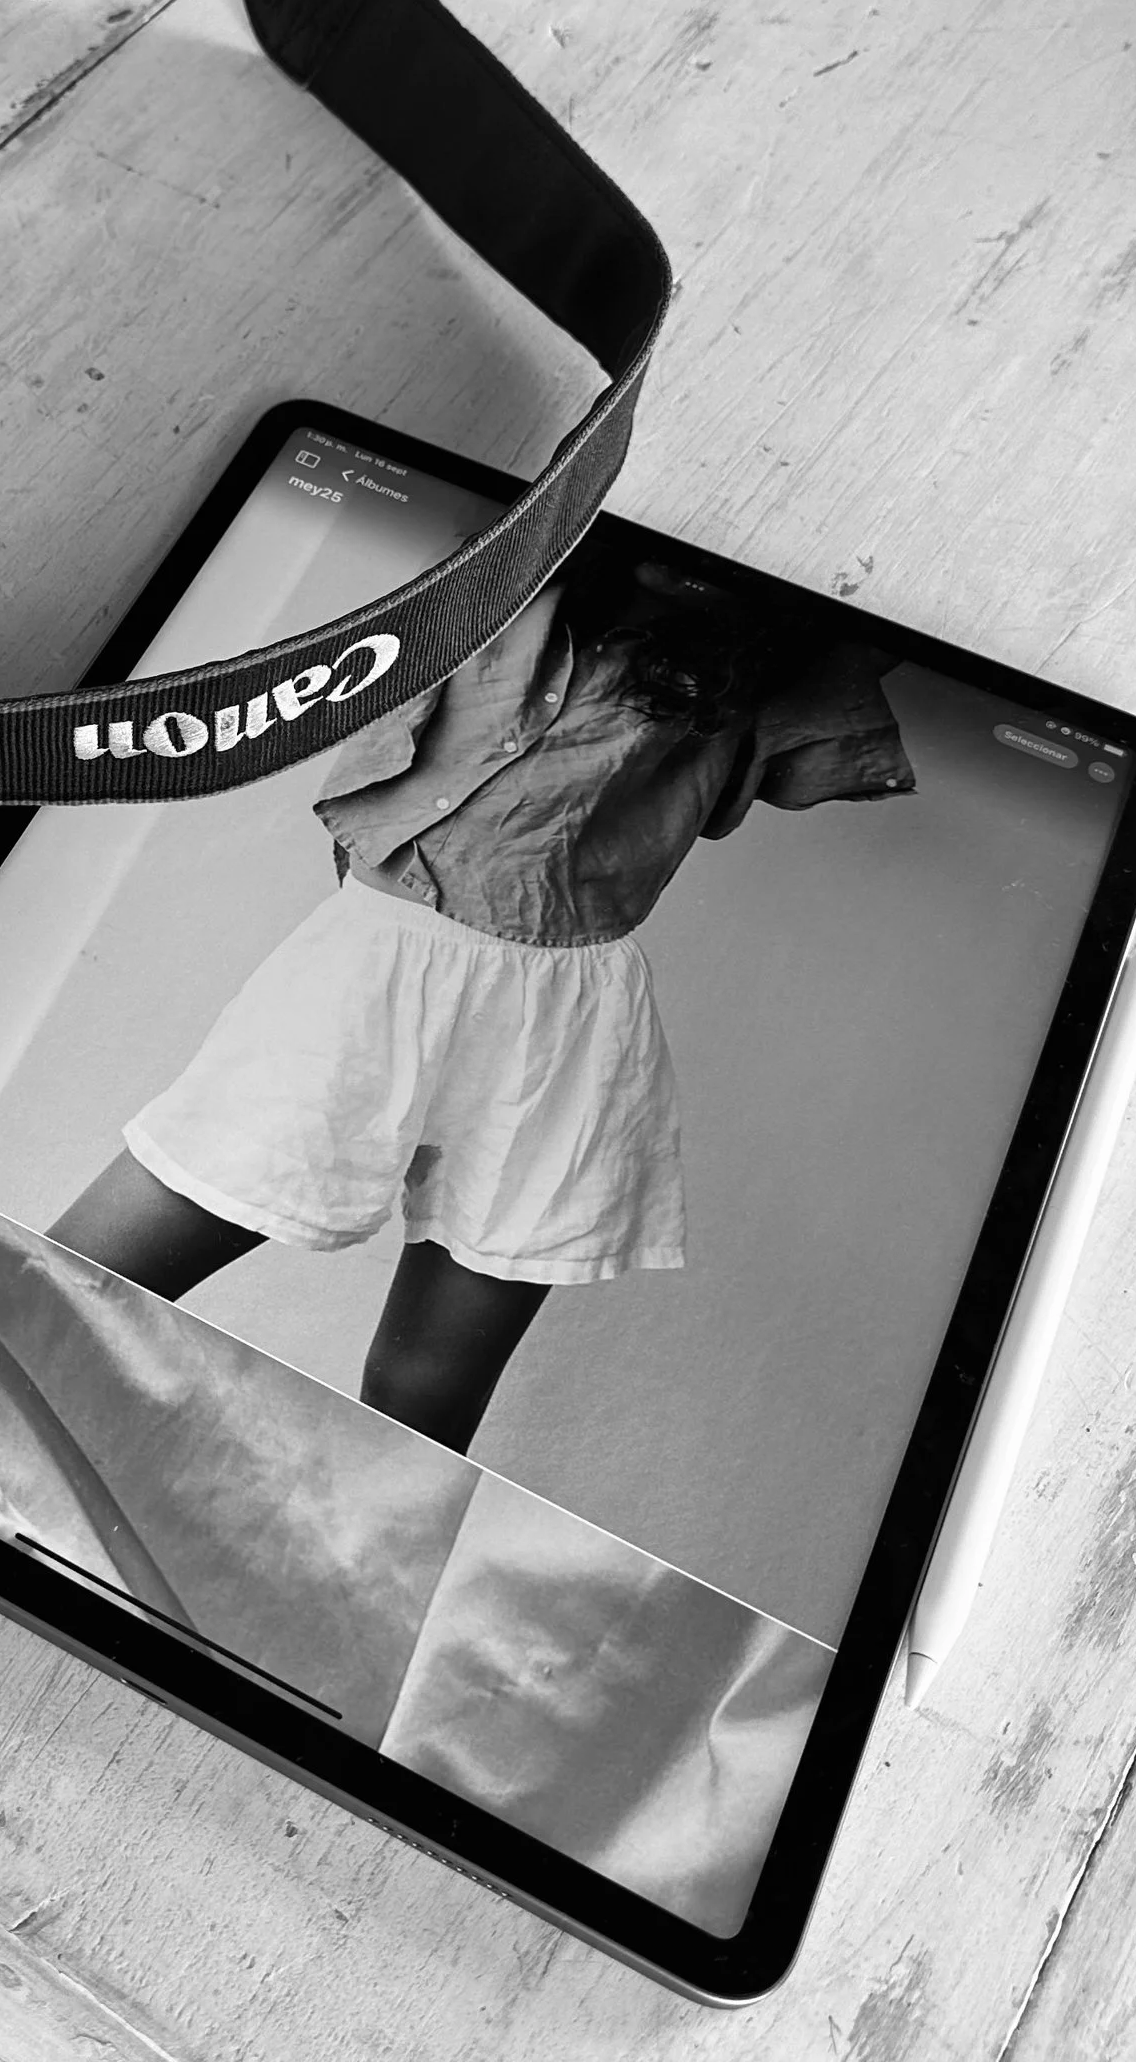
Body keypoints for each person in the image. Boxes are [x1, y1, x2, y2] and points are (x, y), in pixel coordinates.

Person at [48, 547, 915, 1454]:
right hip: (371, 970)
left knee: (423, 1391)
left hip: (570, 1024)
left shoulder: (763, 663)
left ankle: (364, 1585)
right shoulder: (504, 570)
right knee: (74, 1277)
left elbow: (882, 600)